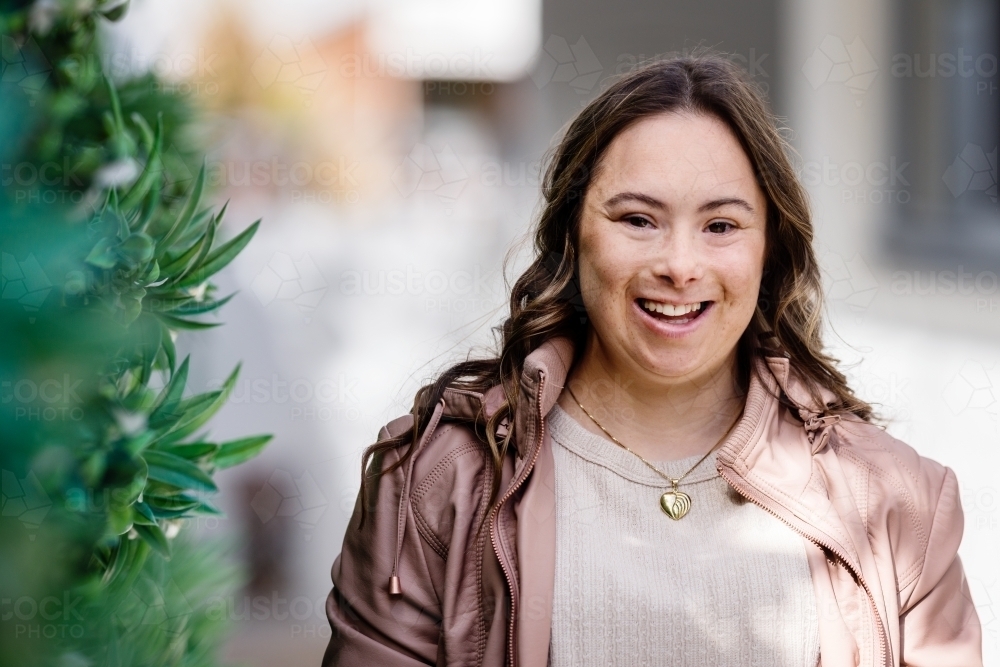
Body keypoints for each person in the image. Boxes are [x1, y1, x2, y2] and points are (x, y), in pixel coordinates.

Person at [321, 55, 983, 667]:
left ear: (768, 250)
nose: (679, 265)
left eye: (721, 225)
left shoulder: (899, 504)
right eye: (638, 219)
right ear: (573, 235)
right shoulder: (441, 480)